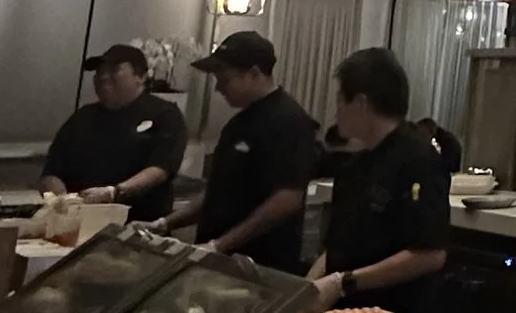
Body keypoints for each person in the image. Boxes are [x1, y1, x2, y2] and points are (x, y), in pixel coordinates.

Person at [309, 44, 452, 307]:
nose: (335, 112)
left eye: (340, 101)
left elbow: (429, 254)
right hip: (344, 312)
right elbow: (337, 249)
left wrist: (344, 283)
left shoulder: (418, 159)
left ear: (361, 103)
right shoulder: (354, 166)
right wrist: (306, 291)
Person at [178, 29, 320, 277]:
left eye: (225, 79)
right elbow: (219, 191)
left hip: (258, 266)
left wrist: (221, 245)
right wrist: (167, 222)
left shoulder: (290, 122)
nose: (218, 88)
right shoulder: (238, 124)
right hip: (217, 258)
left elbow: (287, 199)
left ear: (254, 74)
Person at [41, 44, 185, 216]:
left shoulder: (164, 114)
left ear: (140, 76)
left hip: (139, 221)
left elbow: (161, 168)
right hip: (79, 219)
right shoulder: (81, 117)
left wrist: (114, 192)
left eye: (113, 70)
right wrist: (62, 202)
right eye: (99, 72)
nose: (104, 77)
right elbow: (51, 172)